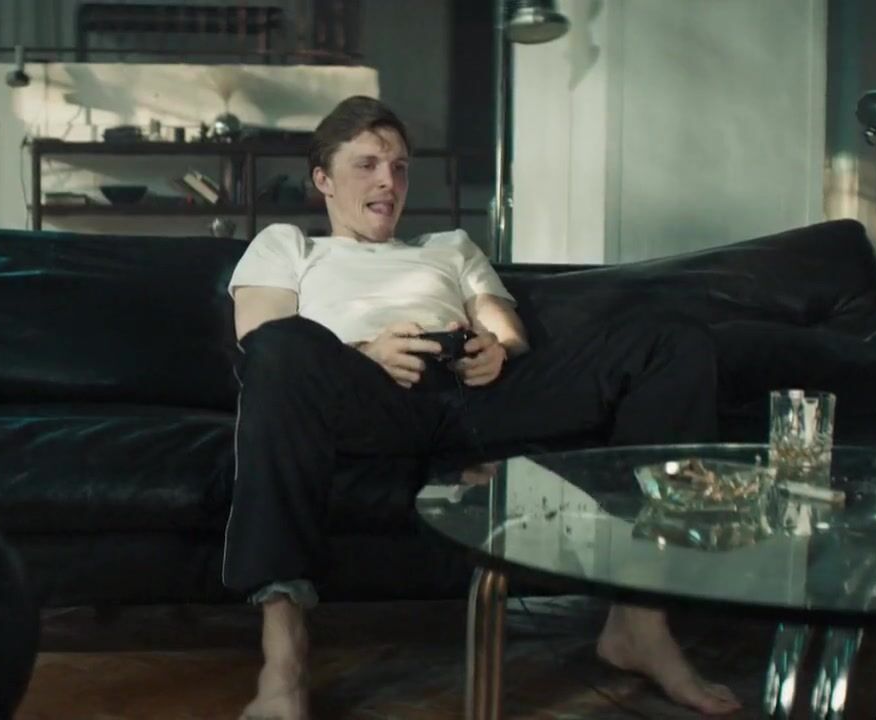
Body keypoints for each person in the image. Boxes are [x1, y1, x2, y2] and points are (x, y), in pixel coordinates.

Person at [225, 96, 740, 718]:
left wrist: (497, 349)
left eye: (400, 168)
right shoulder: (288, 246)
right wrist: (364, 352)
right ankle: (284, 660)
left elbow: (506, 328)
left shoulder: (450, 246)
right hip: (364, 394)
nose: (389, 181)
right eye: (367, 165)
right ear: (323, 180)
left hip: (474, 392)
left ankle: (641, 621)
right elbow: (261, 337)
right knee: (280, 348)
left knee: (668, 340)